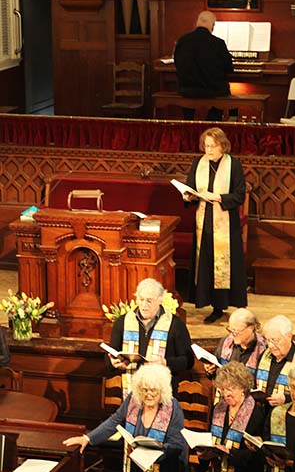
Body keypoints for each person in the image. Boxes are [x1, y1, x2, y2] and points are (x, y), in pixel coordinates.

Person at [184, 127, 247, 323]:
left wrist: (218, 197)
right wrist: (188, 196)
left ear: (222, 146)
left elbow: (239, 195)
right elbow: (191, 187)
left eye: (213, 146)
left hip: (226, 222)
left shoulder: (233, 165)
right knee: (206, 262)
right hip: (204, 221)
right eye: (206, 146)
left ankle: (224, 305)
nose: (209, 150)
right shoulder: (198, 163)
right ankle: (210, 304)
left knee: (225, 265)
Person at [106, 277, 193, 395]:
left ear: (160, 300)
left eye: (149, 301)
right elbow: (111, 354)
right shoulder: (123, 322)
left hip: (163, 395)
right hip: (131, 392)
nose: (143, 305)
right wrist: (113, 362)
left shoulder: (175, 324)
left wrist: (165, 362)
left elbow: (188, 361)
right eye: (141, 299)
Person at [174, 10, 233, 120]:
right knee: (226, 91)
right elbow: (229, 68)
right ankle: (213, 120)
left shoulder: (182, 41)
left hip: (187, 90)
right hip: (214, 90)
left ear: (197, 22)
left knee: (185, 86)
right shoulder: (218, 43)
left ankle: (188, 121)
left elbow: (177, 64)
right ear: (213, 25)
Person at [203, 307, 267, 379]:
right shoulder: (226, 342)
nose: (232, 335)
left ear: (250, 328)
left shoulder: (263, 349)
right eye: (230, 330)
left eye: (236, 331)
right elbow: (215, 374)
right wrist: (211, 371)